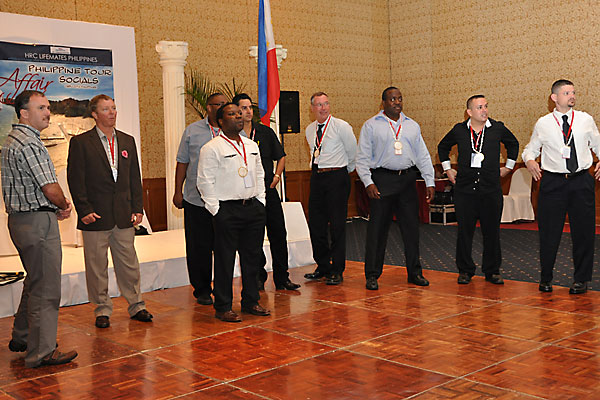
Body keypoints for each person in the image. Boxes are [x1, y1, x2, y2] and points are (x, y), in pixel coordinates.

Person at [2, 90, 77, 367]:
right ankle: (41, 352)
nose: (48, 112)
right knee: (46, 288)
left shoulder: (12, 138)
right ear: (24, 113)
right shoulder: (30, 143)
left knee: (35, 280)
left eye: (47, 107)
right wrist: (63, 204)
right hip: (37, 222)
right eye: (41, 108)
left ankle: (22, 337)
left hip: (21, 221)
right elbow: (50, 188)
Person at [67, 94, 152, 328]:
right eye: (106, 109)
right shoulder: (81, 143)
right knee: (96, 266)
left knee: (129, 263)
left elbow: (134, 177)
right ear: (94, 114)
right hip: (95, 215)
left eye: (114, 108)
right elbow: (76, 179)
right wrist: (84, 209)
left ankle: (137, 305)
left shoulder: (127, 140)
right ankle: (102, 309)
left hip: (123, 214)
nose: (112, 112)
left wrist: (137, 208)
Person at [523, 79, 600, 294]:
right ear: (554, 98)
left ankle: (581, 280)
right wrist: (529, 160)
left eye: (573, 92)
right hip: (553, 183)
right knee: (549, 232)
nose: (572, 96)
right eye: (567, 93)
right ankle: (546, 278)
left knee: (583, 233)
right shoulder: (543, 123)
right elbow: (530, 149)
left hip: (581, 181)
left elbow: (598, 144)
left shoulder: (585, 120)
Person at [197, 103, 270, 322]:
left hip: (253, 208)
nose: (238, 117)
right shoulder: (211, 148)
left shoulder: (251, 145)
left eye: (239, 113)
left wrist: (261, 201)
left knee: (252, 258)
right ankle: (223, 306)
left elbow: (259, 173)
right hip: (226, 210)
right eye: (232, 114)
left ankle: (251, 301)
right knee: (224, 260)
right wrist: (216, 210)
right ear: (220, 121)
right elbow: (204, 181)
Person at [356, 86, 434, 290]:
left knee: (411, 230)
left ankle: (415, 273)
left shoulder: (412, 125)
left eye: (399, 99)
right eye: (392, 99)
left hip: (407, 181)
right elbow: (362, 158)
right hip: (382, 181)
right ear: (383, 102)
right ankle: (372, 275)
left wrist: (430, 181)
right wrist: (368, 182)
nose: (397, 102)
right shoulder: (371, 125)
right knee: (377, 231)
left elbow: (423, 155)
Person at [438, 95, 519, 285]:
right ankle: (465, 270)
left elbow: (513, 144)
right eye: (480, 107)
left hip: (490, 190)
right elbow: (443, 147)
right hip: (465, 191)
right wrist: (448, 169)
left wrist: (508, 167)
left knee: (492, 232)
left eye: (486, 106)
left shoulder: (497, 128)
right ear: (469, 112)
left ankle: (492, 271)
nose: (484, 110)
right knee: (464, 232)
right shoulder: (459, 130)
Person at [233, 93, 300, 291]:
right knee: (253, 237)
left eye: (249, 108)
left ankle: (282, 278)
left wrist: (277, 176)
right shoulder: (233, 136)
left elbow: (281, 156)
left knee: (278, 233)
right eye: (243, 108)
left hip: (268, 191)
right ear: (236, 111)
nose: (248, 111)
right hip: (248, 195)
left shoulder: (264, 132)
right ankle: (258, 277)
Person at [174, 93, 227, 305]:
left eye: (225, 104)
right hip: (196, 200)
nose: (222, 107)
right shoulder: (192, 131)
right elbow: (182, 162)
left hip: (225, 201)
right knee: (198, 248)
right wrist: (178, 191)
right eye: (218, 104)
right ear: (208, 107)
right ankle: (202, 290)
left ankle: (223, 288)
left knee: (223, 247)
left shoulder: (233, 131)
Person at [303, 92, 357, 285]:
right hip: (317, 177)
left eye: (326, 103)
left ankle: (337, 269)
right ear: (312, 108)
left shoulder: (341, 126)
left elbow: (353, 152)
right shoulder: (310, 129)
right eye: (319, 105)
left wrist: (344, 172)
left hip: (337, 177)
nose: (323, 108)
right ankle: (323, 266)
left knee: (337, 226)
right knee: (316, 225)